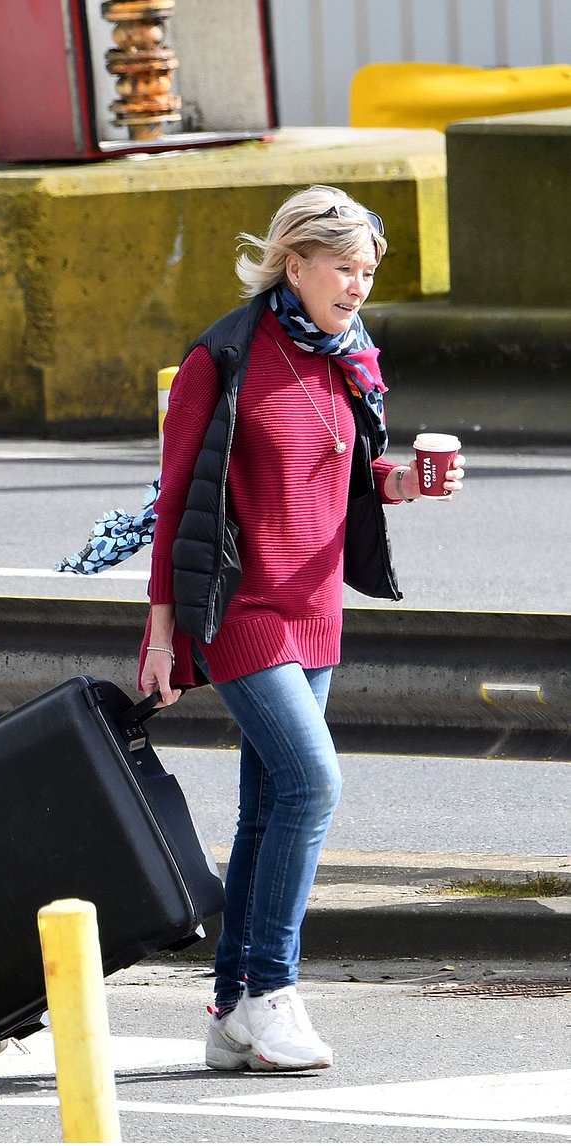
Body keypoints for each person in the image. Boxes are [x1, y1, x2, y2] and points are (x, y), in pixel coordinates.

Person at [139, 185, 465, 1073]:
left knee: (267, 810)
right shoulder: (225, 356)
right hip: (243, 612)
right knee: (315, 787)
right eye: (344, 268)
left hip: (318, 606)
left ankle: (231, 1009)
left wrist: (402, 486)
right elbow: (179, 505)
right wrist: (161, 632)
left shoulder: (347, 356)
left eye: (368, 271)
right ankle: (275, 989)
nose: (359, 286)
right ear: (296, 264)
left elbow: (353, 475)